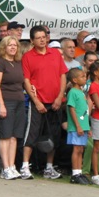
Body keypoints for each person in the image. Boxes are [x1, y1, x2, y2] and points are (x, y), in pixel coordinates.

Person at [21, 25, 67, 180]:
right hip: (38, 102)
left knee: (53, 135)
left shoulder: (55, 53)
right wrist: (36, 101)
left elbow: (62, 76)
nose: (42, 39)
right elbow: (26, 81)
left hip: (55, 102)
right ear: (32, 40)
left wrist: (60, 97)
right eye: (38, 37)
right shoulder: (28, 56)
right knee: (32, 134)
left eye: (44, 36)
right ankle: (25, 166)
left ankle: (49, 167)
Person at [0, 36, 25, 180]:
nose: (12, 47)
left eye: (15, 45)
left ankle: (12, 166)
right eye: (9, 45)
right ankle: (5, 167)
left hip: (19, 101)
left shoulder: (17, 63)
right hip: (6, 101)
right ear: (4, 47)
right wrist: (2, 105)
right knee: (5, 135)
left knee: (14, 136)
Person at [66, 68, 90, 185]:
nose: (84, 78)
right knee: (76, 149)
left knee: (81, 149)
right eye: (82, 76)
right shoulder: (72, 92)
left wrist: (87, 127)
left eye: (85, 76)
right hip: (76, 127)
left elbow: (85, 112)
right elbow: (72, 109)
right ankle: (75, 173)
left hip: (83, 126)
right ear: (75, 80)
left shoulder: (81, 92)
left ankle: (79, 172)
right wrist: (78, 126)